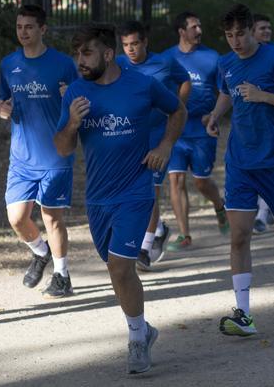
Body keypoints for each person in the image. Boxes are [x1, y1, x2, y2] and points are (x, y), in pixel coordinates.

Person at [54, 23, 186, 374]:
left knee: (120, 266)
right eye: (76, 53)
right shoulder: (76, 94)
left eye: (87, 53)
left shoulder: (141, 84)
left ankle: (136, 340)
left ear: (108, 54)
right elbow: (62, 148)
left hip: (135, 190)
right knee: (117, 272)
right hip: (98, 198)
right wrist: (71, 124)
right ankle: (144, 328)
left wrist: (165, 145)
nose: (79, 60)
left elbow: (177, 110)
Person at [206, 4, 274, 336]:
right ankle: (243, 314)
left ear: (253, 30)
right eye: (229, 35)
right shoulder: (225, 63)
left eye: (241, 33)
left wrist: (262, 95)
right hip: (240, 162)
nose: (235, 41)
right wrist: (214, 115)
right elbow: (227, 93)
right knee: (239, 235)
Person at [0, 4, 78, 298]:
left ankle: (62, 275)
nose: (23, 32)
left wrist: (70, 98)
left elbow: (82, 97)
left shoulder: (64, 64)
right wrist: (1, 110)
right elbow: (1, 99)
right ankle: (40, 252)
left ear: (43, 29)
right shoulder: (8, 64)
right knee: (16, 218)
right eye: (19, 27)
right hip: (21, 156)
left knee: (51, 216)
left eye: (29, 27)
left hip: (56, 153)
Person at [116, 21, 190, 269]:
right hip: (127, 136)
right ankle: (158, 228)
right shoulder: (117, 64)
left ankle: (144, 249)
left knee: (150, 192)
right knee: (129, 192)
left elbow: (185, 81)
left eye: (135, 44)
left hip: (157, 136)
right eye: (125, 45)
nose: (130, 50)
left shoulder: (164, 62)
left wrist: (176, 107)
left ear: (145, 42)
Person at [159, 12, 229, 251]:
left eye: (200, 26)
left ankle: (219, 204)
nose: (199, 31)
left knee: (201, 182)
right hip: (176, 128)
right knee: (175, 179)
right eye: (193, 27)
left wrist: (215, 116)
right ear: (181, 31)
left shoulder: (212, 58)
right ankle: (184, 234)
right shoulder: (167, 58)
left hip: (202, 128)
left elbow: (225, 92)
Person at [251, 12, 274, 233]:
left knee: (268, 166)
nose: (267, 31)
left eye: (269, 28)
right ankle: (266, 209)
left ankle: (263, 213)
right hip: (250, 124)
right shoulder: (242, 58)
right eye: (262, 28)